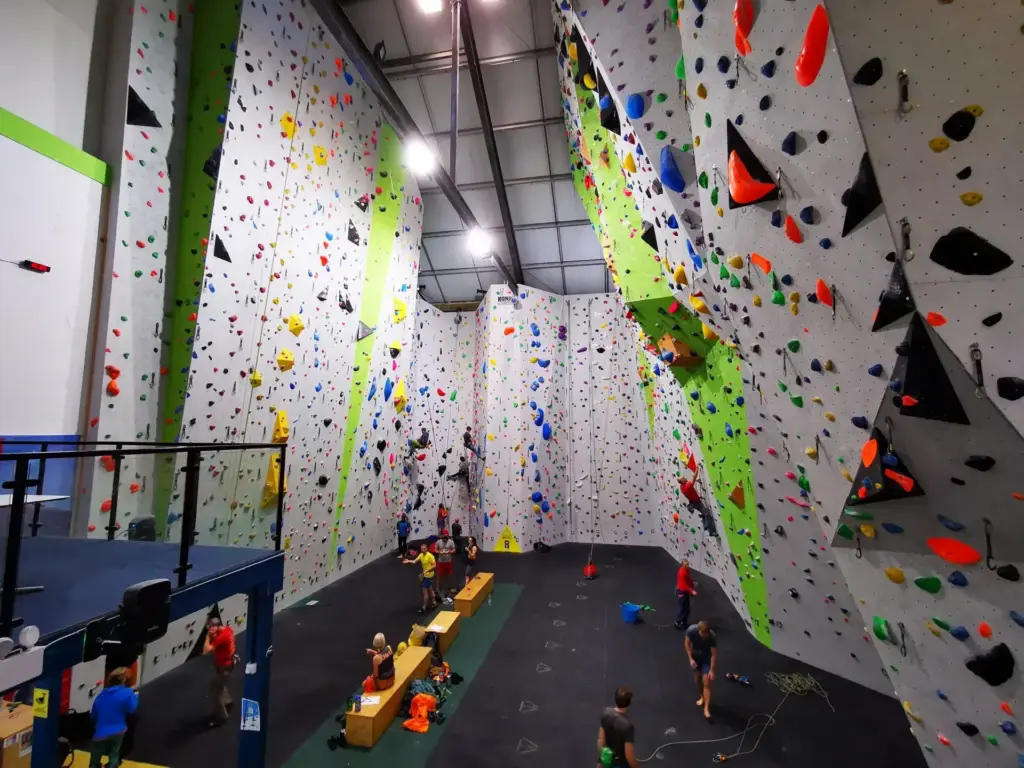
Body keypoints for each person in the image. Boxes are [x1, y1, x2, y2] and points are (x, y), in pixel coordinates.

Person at [89, 667, 138, 768]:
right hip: (119, 731)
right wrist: (136, 697)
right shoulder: (128, 693)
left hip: (100, 733)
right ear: (124, 680)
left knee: (96, 757)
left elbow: (93, 714)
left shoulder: (101, 695)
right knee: (114, 754)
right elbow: (132, 709)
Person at [203, 616, 237, 727]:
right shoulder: (227, 629)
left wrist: (207, 637)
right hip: (224, 664)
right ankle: (228, 703)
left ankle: (222, 716)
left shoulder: (222, 637)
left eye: (210, 628)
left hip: (225, 666)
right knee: (220, 685)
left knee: (215, 691)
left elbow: (206, 651)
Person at [685, 621, 717, 721]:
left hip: (706, 659)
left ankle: (706, 709)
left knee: (707, 683)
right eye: (702, 633)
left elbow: (713, 654)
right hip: (695, 658)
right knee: (698, 680)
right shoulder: (691, 630)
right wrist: (690, 659)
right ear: (698, 631)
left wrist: (712, 670)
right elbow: (687, 643)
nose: (704, 635)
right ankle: (702, 697)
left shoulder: (712, 637)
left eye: (706, 633)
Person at [597, 686, 637, 768]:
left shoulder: (606, 713)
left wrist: (600, 761)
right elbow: (629, 755)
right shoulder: (628, 727)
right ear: (629, 703)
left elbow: (601, 740)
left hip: (607, 762)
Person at [679, 465, 718, 537]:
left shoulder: (682, 487)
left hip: (693, 502)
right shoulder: (687, 486)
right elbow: (694, 477)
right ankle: (712, 532)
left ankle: (706, 526)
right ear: (682, 481)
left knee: (703, 512)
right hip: (696, 502)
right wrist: (697, 468)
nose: (685, 478)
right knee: (707, 513)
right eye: (684, 478)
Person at [403, 542, 437, 613]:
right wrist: (408, 560)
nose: (423, 550)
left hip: (429, 576)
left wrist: (426, 571)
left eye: (424, 549)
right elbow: (415, 561)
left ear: (427, 549)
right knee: (430, 589)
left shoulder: (430, 556)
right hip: (425, 575)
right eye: (422, 549)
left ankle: (424, 607)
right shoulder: (421, 555)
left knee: (425, 592)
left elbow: (434, 566)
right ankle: (434, 602)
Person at [675, 558, 697, 630]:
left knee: (686, 608)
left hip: (684, 591)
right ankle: (678, 622)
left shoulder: (686, 570)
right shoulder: (682, 573)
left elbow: (688, 579)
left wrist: (692, 582)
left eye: (687, 564)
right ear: (682, 565)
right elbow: (684, 584)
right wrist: (692, 591)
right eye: (685, 565)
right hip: (681, 591)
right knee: (682, 608)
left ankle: (683, 623)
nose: (687, 566)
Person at [435, 530, 456, 598]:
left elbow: (454, 550)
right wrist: (439, 552)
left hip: (448, 561)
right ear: (442, 537)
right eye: (444, 537)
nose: (445, 539)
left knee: (447, 575)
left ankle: (446, 588)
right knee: (439, 575)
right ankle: (438, 589)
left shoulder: (451, 542)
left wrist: (449, 552)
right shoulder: (438, 542)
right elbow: (435, 549)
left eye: (446, 538)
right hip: (440, 561)